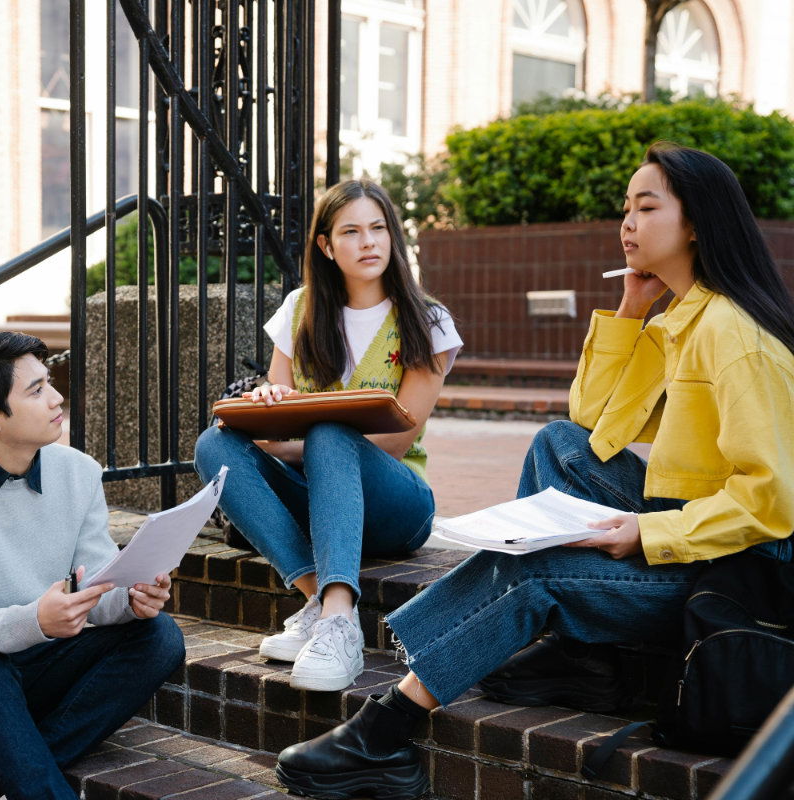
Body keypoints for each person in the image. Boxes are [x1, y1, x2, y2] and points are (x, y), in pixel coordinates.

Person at [273, 143, 794, 800]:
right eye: (625, 208)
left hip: (733, 568)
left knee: (532, 569)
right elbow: (593, 420)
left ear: (696, 223)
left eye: (645, 207)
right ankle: (578, 655)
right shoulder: (685, 317)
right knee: (558, 445)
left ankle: (383, 735)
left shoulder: (733, 334)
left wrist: (648, 533)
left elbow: (773, 502)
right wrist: (630, 314)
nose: (627, 223)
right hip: (689, 524)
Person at [194, 179, 463, 692]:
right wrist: (267, 408)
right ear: (326, 245)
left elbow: (396, 441)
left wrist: (304, 441)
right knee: (214, 445)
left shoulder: (426, 319)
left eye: (378, 228)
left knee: (331, 432)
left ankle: (341, 621)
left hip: (397, 504)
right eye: (351, 231)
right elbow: (274, 434)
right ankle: (321, 603)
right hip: (319, 500)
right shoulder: (300, 311)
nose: (369, 242)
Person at [0, 332, 185, 800]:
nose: (56, 398)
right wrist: (36, 620)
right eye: (36, 391)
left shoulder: (78, 471)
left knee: (159, 635)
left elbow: (96, 587)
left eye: (48, 383)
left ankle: (8, 785)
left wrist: (131, 600)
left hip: (37, 665)